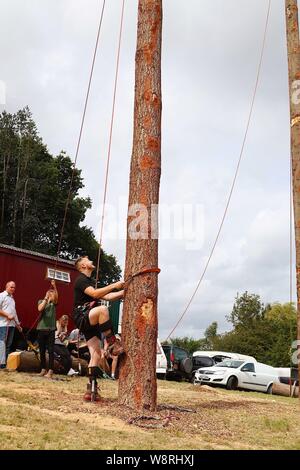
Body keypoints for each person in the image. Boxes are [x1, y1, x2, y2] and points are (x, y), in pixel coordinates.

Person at [73, 256, 124, 401]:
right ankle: (113, 344)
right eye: (87, 259)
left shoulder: (89, 282)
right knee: (103, 310)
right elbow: (96, 294)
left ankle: (91, 390)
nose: (90, 260)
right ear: (83, 265)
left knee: (95, 354)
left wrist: (123, 292)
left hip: (90, 321)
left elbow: (107, 296)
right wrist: (115, 284)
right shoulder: (81, 279)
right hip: (83, 316)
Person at [36, 280, 58, 379]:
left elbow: (57, 298)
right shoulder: (41, 301)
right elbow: (40, 309)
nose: (51, 294)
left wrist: (54, 287)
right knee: (41, 350)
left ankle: (50, 371)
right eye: (50, 292)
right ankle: (43, 369)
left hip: (51, 330)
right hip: (41, 328)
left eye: (52, 293)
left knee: (50, 350)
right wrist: (46, 298)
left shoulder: (54, 304)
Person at [0, 281, 22, 369]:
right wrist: (7, 315)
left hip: (12, 325)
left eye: (14, 287)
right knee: (2, 343)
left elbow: (14, 313)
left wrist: (18, 325)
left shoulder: (12, 299)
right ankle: (1, 364)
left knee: (8, 344)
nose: (13, 289)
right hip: (3, 324)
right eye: (11, 287)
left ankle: (5, 364)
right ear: (7, 286)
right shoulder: (1, 295)